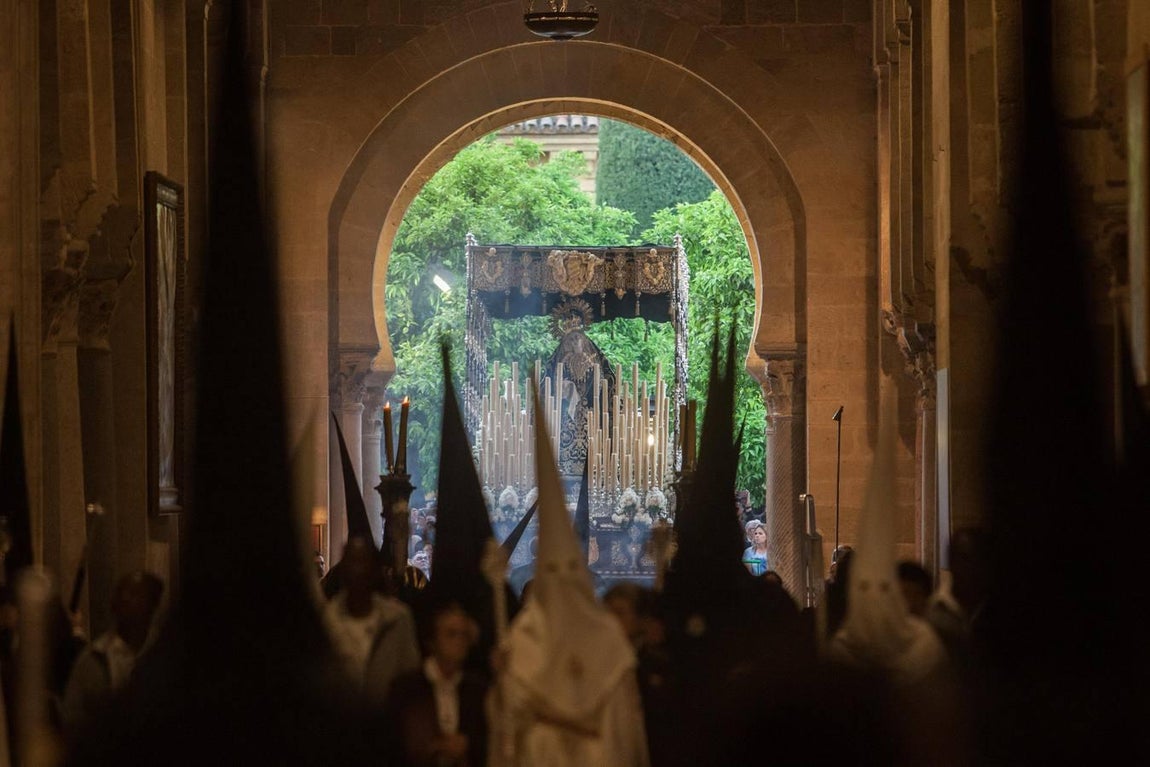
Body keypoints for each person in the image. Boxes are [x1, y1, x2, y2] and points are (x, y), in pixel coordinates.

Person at [385, 601, 488, 767]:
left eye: (463, 635)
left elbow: (488, 739)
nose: (459, 641)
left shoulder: (477, 690)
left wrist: (467, 746)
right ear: (433, 640)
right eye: (451, 634)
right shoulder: (406, 689)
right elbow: (392, 743)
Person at [62, 571, 164, 731]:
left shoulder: (164, 657)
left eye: (135, 593)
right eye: (121, 592)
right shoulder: (93, 660)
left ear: (153, 604)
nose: (125, 598)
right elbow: (73, 719)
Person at [323, 536, 420, 705]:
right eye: (352, 562)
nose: (357, 570)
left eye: (363, 562)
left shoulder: (397, 619)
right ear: (342, 570)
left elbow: (411, 678)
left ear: (375, 571)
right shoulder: (326, 621)